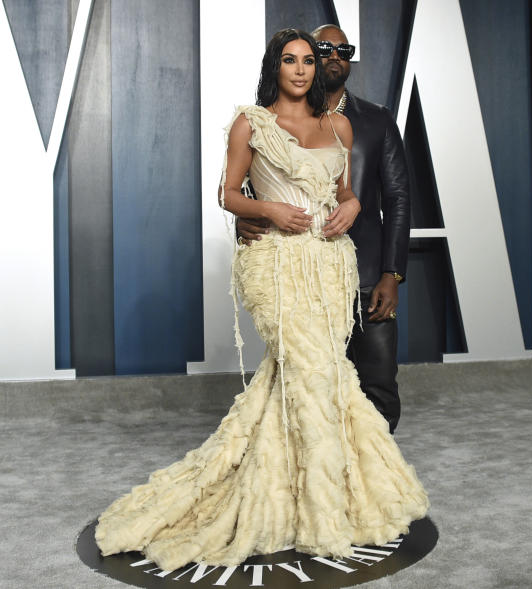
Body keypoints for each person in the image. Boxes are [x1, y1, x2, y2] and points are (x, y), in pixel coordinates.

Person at [94, 28, 428, 572]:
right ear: (276, 66)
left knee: (307, 380)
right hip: (273, 265)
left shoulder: (341, 123)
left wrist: (352, 206)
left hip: (330, 265)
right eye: (292, 60)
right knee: (315, 371)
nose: (302, 69)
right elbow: (229, 193)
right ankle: (325, 511)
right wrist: (266, 212)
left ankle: (293, 492)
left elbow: (347, 192)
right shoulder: (252, 122)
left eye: (309, 61)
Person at [238, 24, 411, 434]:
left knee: (378, 385)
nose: (335, 56)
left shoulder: (374, 120)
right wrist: (246, 221)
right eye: (324, 49)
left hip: (366, 274)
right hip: (298, 275)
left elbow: (398, 198)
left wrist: (393, 273)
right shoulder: (266, 123)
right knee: (307, 383)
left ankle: (372, 482)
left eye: (344, 50)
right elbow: (252, 189)